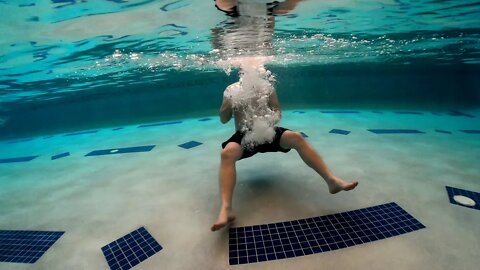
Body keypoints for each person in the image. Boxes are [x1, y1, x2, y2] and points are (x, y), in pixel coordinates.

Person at [210, 79, 359, 232]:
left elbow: (277, 112)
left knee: (297, 137)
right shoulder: (232, 89)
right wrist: (229, 102)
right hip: (244, 136)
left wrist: (266, 121)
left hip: (268, 132)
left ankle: (331, 180)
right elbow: (224, 119)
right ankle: (226, 208)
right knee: (227, 154)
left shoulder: (267, 86)